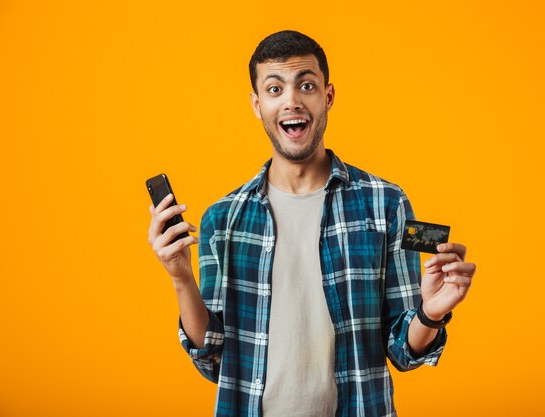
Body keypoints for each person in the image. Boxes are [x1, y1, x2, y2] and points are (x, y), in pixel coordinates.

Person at [147, 30, 477, 417]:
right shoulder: (223, 219)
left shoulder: (386, 204)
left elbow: (403, 352)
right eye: (274, 89)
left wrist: (430, 313)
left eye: (306, 85)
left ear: (328, 96)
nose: (291, 101)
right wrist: (181, 277)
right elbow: (213, 357)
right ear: (256, 104)